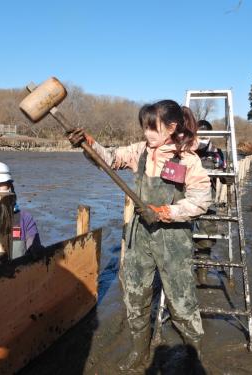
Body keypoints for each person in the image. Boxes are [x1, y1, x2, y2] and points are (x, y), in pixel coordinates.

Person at [68, 100, 212, 370]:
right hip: (139, 235)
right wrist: (88, 144)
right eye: (144, 127)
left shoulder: (188, 159)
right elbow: (108, 159)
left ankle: (193, 355)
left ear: (171, 127)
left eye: (152, 128)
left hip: (173, 238)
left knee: (181, 299)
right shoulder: (140, 151)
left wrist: (165, 212)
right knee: (135, 294)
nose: (147, 134)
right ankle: (139, 352)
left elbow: (201, 201)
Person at [193, 120, 227, 284]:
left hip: (207, 203)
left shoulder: (217, 153)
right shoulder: (187, 151)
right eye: (199, 133)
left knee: (205, 241)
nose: (202, 137)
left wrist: (227, 172)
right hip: (186, 201)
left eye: (205, 133)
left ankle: (202, 275)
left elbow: (227, 180)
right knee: (182, 239)